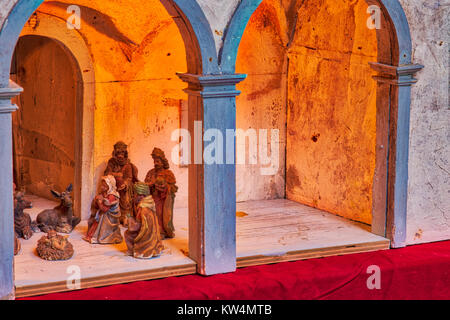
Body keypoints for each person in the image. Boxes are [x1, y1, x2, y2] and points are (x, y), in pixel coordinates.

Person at [144, 148, 178, 239]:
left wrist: (164, 187)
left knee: (159, 213)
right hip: (151, 197)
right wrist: (149, 185)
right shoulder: (151, 172)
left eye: (158, 161)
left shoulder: (168, 173)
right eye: (154, 161)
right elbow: (146, 183)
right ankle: (150, 229)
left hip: (162, 199)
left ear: (163, 162)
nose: (156, 163)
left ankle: (161, 231)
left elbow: (173, 187)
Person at [124, 182, 164, 259]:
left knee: (127, 234)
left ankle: (134, 250)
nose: (133, 196)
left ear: (141, 196)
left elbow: (135, 227)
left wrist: (129, 218)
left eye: (135, 194)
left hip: (145, 238)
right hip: (153, 236)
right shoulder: (150, 204)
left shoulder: (142, 208)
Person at [104, 141, 139, 226]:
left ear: (125, 154)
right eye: (118, 153)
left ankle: (125, 217)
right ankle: (112, 216)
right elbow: (107, 174)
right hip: (113, 186)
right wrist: (116, 175)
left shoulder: (127, 165)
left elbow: (129, 178)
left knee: (126, 198)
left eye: (122, 153)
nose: (120, 155)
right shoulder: (112, 162)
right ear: (115, 153)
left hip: (124, 187)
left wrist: (125, 184)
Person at [84, 175, 123, 244]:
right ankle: (91, 234)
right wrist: (96, 201)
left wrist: (99, 202)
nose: (102, 187)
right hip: (102, 214)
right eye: (102, 185)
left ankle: (101, 236)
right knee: (93, 221)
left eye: (104, 186)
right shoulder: (104, 193)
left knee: (100, 223)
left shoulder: (112, 196)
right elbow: (97, 206)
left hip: (108, 217)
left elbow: (105, 209)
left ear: (110, 186)